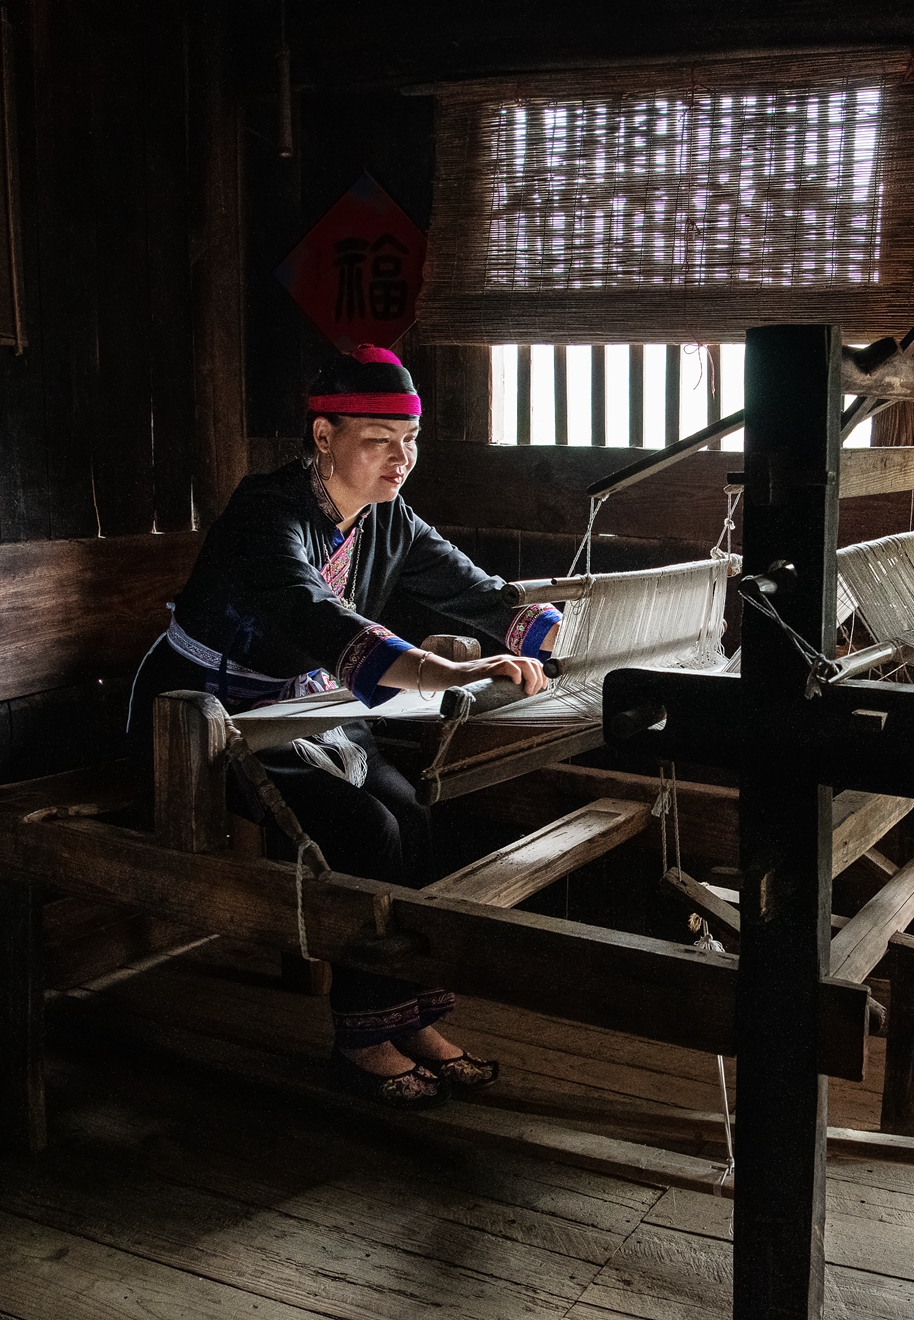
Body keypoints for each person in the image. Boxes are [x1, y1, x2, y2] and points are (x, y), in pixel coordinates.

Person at [129, 345, 563, 1109]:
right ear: (324, 436)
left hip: (311, 710)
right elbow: (314, 614)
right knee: (366, 830)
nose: (402, 459)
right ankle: (363, 1033)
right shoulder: (265, 511)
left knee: (412, 817)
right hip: (212, 714)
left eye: (411, 441)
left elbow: (475, 590)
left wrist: (561, 633)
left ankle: (416, 1016)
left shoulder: (388, 517)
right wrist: (452, 673)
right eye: (378, 440)